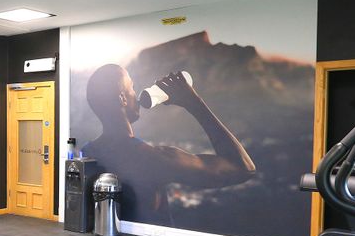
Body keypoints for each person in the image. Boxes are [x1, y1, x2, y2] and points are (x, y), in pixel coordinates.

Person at [81, 65, 255, 225]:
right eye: (132, 88)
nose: (136, 94)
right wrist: (193, 102)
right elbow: (242, 168)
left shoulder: (87, 152)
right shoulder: (152, 159)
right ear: (122, 99)